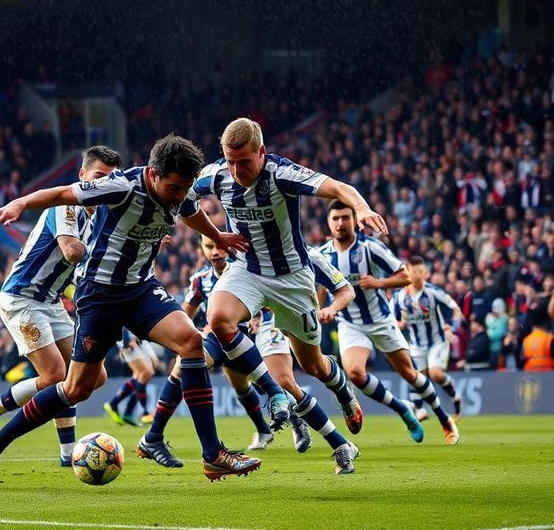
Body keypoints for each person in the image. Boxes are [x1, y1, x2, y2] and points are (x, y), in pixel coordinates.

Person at [0, 135, 260, 489]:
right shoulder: (121, 186)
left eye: (184, 188)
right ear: (153, 174)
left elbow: (190, 211)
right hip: (99, 294)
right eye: (173, 187)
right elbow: (62, 194)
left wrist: (219, 235)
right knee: (75, 388)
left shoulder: (179, 193)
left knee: (190, 342)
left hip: (140, 289)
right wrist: (19, 204)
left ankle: (213, 455)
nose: (179, 194)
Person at [180, 118, 368, 461]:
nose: (236, 170)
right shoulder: (216, 175)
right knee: (218, 317)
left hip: (292, 279)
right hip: (247, 271)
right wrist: (217, 234)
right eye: (230, 161)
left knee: (312, 365)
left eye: (245, 162)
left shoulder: (284, 174)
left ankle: (342, 392)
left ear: (262, 152)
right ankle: (273, 391)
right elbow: (182, 199)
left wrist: (363, 208)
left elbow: (340, 188)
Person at [0, 146, 122, 466]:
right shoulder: (66, 204)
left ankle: (65, 455)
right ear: (82, 176)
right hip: (21, 297)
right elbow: (72, 251)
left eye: (111, 180)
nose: (103, 186)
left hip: (51, 300)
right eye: (99, 177)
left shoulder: (101, 216)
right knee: (55, 375)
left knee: (93, 376)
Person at [137, 234, 303, 471]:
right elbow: (184, 314)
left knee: (255, 386)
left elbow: (270, 301)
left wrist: (261, 317)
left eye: (219, 246)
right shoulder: (200, 280)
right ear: (201, 249)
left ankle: (282, 424)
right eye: (209, 247)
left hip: (248, 339)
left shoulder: (247, 274)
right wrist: (192, 333)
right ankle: (154, 436)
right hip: (216, 342)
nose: (215, 252)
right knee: (185, 363)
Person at [318, 199, 459, 445]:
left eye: (345, 218)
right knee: (354, 373)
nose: (340, 223)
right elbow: (319, 285)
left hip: (381, 320)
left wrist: (378, 283)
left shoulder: (370, 247)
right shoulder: (322, 255)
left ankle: (443, 417)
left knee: (409, 373)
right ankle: (403, 408)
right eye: (335, 219)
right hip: (350, 323)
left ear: (354, 220)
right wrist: (321, 308)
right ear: (328, 224)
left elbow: (404, 276)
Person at [393, 256, 463, 422]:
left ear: (425, 273)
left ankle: (455, 395)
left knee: (436, 374)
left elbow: (456, 310)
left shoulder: (433, 292)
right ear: (407, 272)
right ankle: (418, 410)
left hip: (437, 342)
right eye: (414, 271)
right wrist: (399, 323)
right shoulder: (399, 296)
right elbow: (391, 319)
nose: (417, 275)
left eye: (420, 271)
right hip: (416, 345)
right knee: (418, 378)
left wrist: (450, 327)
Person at [104, 329, 158, 426]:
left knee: (143, 374)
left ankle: (121, 408)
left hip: (138, 336)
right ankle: (145, 413)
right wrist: (127, 339)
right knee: (145, 372)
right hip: (128, 338)